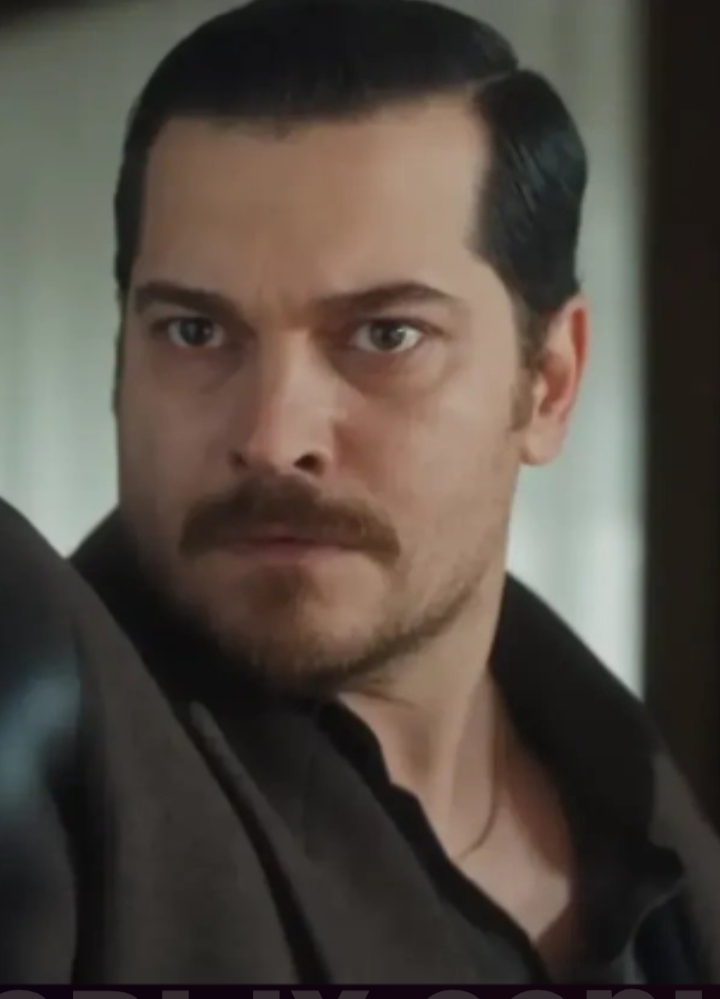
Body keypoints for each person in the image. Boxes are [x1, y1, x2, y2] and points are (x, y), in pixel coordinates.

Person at [2, 0, 719, 985]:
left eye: (386, 335)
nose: (274, 438)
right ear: (122, 359)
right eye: (195, 332)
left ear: (549, 384)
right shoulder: (49, 726)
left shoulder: (636, 803)